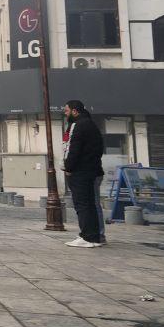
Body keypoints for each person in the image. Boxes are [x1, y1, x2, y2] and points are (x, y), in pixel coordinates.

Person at [63, 100, 105, 248]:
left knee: (82, 204)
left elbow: (73, 149)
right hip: (91, 169)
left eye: (67, 111)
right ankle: (94, 235)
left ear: (75, 111)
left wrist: (68, 167)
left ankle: (88, 236)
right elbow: (99, 148)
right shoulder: (91, 124)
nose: (65, 114)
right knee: (90, 204)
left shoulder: (78, 125)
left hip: (81, 171)